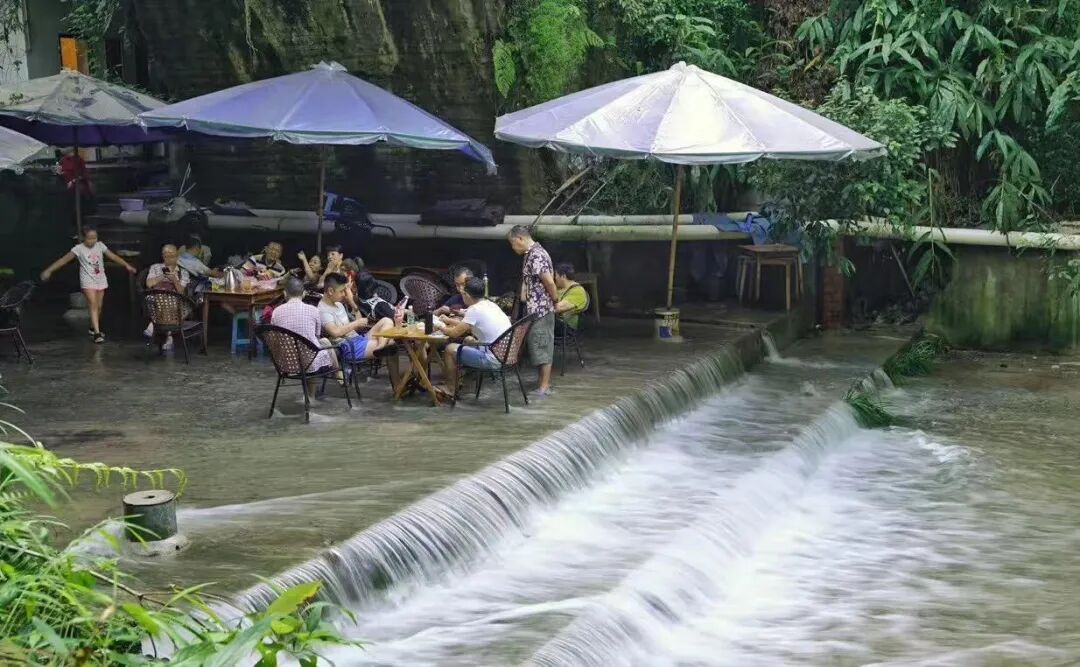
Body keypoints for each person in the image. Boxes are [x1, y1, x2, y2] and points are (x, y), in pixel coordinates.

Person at [40, 226, 135, 344]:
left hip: (100, 279)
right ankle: (97, 333)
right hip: (87, 281)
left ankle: (92, 327)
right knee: (93, 304)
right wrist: (49, 270)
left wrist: (126, 265)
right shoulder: (78, 249)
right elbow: (63, 260)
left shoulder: (100, 246)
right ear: (83, 238)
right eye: (90, 238)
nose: (93, 240)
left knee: (99, 306)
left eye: (95, 238)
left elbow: (113, 256)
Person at [439, 276, 511, 394]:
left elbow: (454, 333)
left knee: (450, 349)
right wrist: (449, 321)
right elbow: (467, 326)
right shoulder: (490, 304)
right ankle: (457, 380)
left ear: (467, 295)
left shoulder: (474, 310)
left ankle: (450, 388)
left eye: (463, 293)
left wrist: (439, 327)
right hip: (506, 354)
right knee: (468, 339)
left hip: (493, 359)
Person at [508, 225, 558, 396]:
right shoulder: (530, 254)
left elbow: (549, 281)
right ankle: (542, 385)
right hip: (534, 309)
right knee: (537, 346)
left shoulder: (537, 254)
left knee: (542, 345)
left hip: (542, 309)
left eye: (513, 244)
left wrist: (555, 300)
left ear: (520, 239)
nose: (513, 248)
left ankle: (544, 387)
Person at [318, 272, 397, 372]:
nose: (344, 294)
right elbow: (335, 332)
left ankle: (380, 347)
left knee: (387, 320)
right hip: (348, 347)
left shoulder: (339, 304)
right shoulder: (323, 310)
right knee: (390, 343)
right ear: (330, 291)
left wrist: (352, 303)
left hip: (358, 338)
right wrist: (356, 323)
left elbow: (359, 326)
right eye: (341, 291)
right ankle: (381, 348)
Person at [271, 277, 338, 385]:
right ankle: (336, 375)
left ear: (285, 293)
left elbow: (275, 340)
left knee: (315, 345)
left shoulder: (276, 312)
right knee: (321, 343)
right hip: (310, 363)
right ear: (303, 294)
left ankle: (336, 375)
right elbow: (316, 337)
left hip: (285, 364)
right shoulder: (314, 310)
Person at [144, 243, 192, 349]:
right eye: (166, 256)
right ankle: (169, 336)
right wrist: (162, 276)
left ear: (177, 256)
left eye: (172, 256)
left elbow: (181, 291)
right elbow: (149, 284)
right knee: (157, 298)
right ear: (162, 256)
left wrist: (174, 280)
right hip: (157, 298)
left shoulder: (183, 272)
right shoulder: (155, 267)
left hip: (174, 301)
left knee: (171, 301)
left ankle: (153, 326)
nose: (169, 258)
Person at [554, 262, 590, 330]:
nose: (554, 278)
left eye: (556, 275)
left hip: (566, 327)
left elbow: (558, 308)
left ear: (563, 276)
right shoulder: (559, 288)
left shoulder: (577, 291)